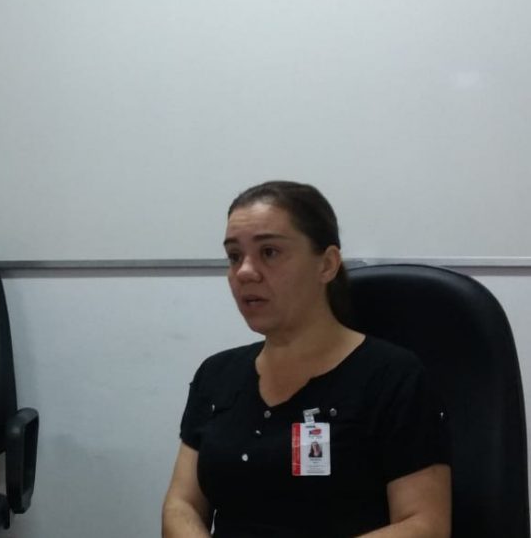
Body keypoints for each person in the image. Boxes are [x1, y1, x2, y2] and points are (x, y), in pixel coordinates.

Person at [162, 181, 451, 537]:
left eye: (269, 252)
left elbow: (425, 525)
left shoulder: (393, 377)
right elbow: (182, 504)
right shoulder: (217, 375)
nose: (245, 272)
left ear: (326, 265)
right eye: (234, 256)